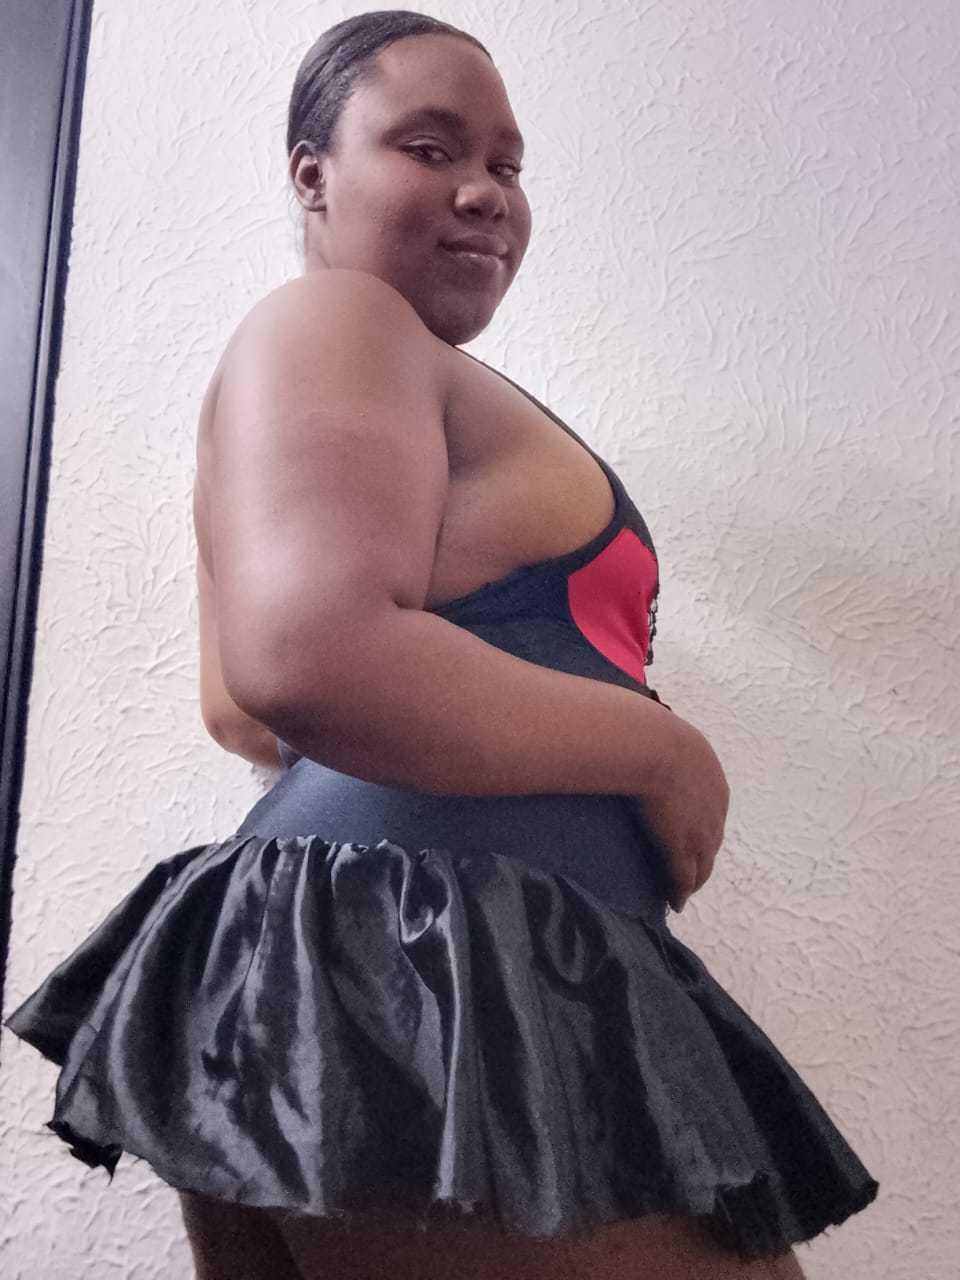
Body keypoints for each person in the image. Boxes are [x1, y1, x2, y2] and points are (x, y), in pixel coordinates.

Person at [4, 11, 879, 1279]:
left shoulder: (348, 369)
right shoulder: (342, 321)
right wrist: (663, 751)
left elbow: (242, 711)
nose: (485, 191)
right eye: (429, 147)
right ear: (313, 172)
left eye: (507, 165)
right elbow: (305, 657)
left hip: (374, 962)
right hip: (429, 965)